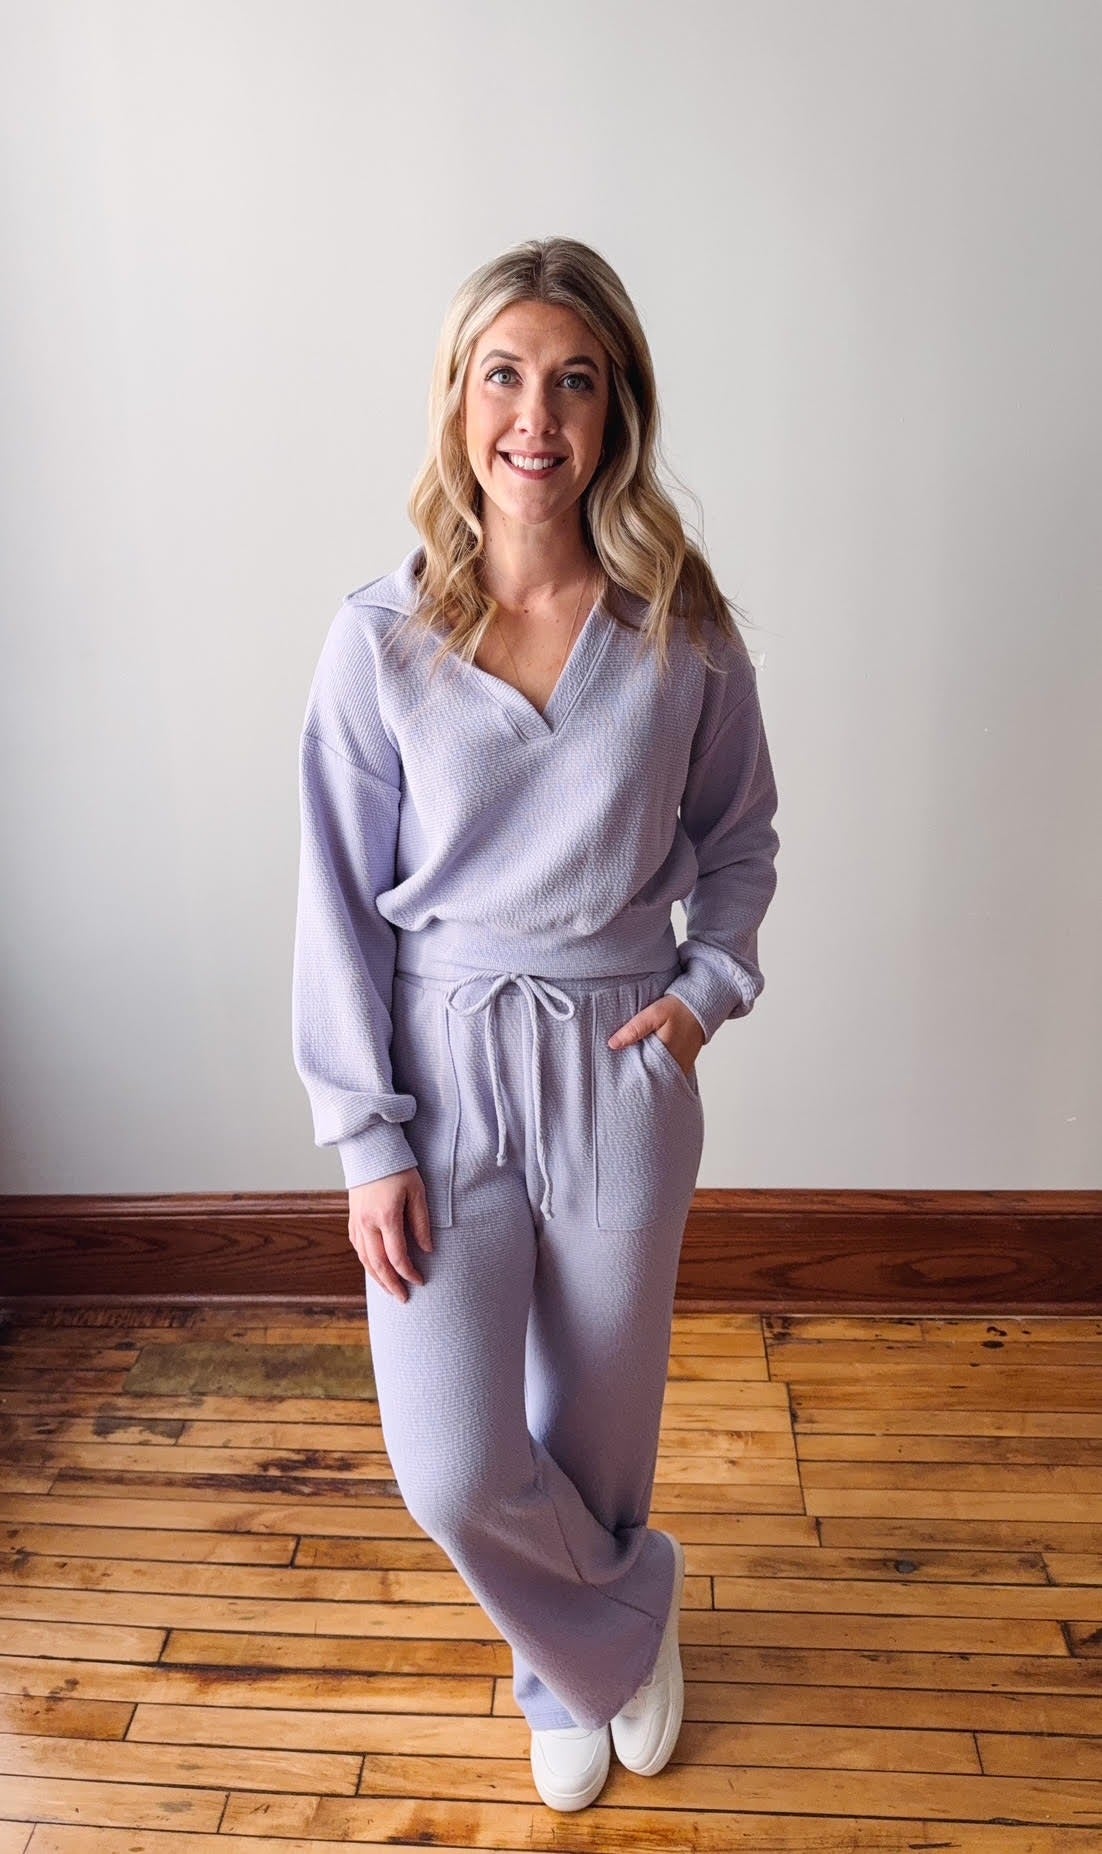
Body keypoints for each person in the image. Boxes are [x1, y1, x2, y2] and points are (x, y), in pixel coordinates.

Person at [291, 235, 780, 1812]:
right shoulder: (376, 638)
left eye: (575, 379)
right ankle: (625, 1621)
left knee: (599, 1421)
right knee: (448, 1459)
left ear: (615, 409)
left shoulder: (675, 626)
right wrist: (367, 1136)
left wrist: (706, 992)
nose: (536, 415)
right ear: (456, 400)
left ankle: (553, 1662)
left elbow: (743, 834)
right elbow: (336, 900)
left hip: (619, 1063)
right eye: (504, 373)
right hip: (440, 1068)